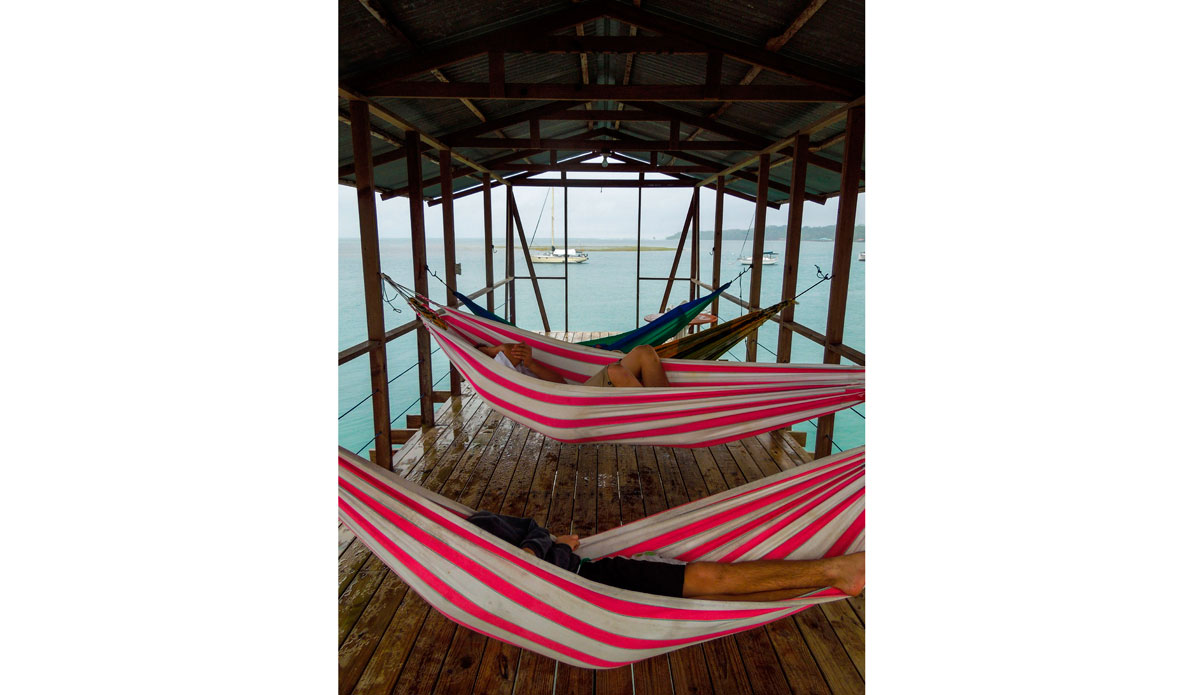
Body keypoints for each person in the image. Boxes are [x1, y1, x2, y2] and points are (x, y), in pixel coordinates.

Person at [467, 511, 865, 601]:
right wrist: (551, 550)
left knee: (710, 587)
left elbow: (533, 529)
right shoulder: (450, 561)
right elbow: (521, 572)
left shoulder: (477, 523)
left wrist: (537, 548)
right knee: (710, 594)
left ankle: (829, 574)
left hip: (592, 578)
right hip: (570, 594)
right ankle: (827, 576)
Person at [476, 342, 671, 388]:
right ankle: (658, 415)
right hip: (572, 406)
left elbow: (560, 382)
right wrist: (491, 350)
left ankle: (670, 408)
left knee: (644, 351)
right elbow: (508, 349)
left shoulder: (520, 366)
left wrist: (531, 364)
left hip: (570, 393)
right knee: (614, 370)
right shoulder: (496, 366)